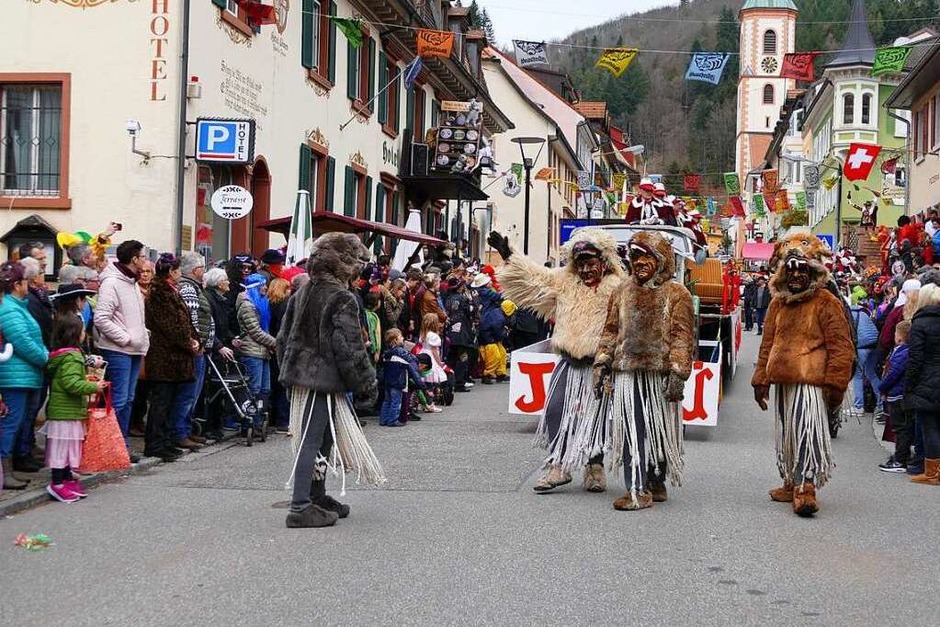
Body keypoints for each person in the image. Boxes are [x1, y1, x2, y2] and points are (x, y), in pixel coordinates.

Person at [489, 228, 624, 493]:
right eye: (581, 264)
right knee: (554, 409)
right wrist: (509, 255)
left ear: (604, 263)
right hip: (567, 361)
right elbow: (534, 278)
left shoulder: (618, 287)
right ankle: (558, 464)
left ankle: (594, 466)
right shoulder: (564, 281)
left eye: (591, 264)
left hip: (600, 364)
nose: (585, 270)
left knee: (596, 417)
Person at [277, 232, 385, 528]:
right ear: (347, 266)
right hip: (320, 380)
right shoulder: (341, 297)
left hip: (302, 377)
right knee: (312, 442)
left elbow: (282, 339)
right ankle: (300, 506)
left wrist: (287, 373)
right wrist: (366, 384)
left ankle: (316, 495)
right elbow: (349, 347)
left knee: (321, 440)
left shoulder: (302, 292)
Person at [752, 233, 855, 517]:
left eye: (802, 270)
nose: (796, 275)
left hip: (810, 385)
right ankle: (791, 481)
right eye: (791, 270)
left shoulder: (825, 302)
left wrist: (835, 386)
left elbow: (841, 348)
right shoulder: (777, 304)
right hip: (784, 383)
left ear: (813, 273)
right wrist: (761, 379)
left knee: (806, 436)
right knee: (787, 434)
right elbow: (767, 344)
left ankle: (806, 487)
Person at [593, 231, 695, 511]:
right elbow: (610, 331)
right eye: (635, 257)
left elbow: (682, 336)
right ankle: (637, 489)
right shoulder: (621, 292)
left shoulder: (677, 293)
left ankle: (656, 480)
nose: (639, 262)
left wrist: (677, 373)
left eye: (646, 256)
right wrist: (602, 362)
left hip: (659, 373)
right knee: (631, 431)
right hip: (627, 372)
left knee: (659, 430)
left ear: (661, 260)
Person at [94, 240, 150, 462]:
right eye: (142, 256)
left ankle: (121, 446)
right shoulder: (112, 283)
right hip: (118, 350)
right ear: (134, 259)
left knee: (128, 399)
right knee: (118, 400)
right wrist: (126, 338)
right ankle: (113, 448)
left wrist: (142, 335)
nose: (145, 261)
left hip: (135, 349)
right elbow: (101, 319)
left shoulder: (132, 282)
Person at [42, 315, 108, 502]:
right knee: (62, 448)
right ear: (75, 334)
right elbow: (71, 383)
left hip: (68, 411)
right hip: (65, 412)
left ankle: (67, 478)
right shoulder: (72, 357)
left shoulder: (67, 355)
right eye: (82, 331)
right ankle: (57, 483)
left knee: (69, 447)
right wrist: (94, 386)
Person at [143, 254, 200, 462]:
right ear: (170, 272)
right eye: (176, 271)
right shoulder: (159, 292)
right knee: (161, 401)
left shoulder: (171, 290)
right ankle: (155, 444)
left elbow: (183, 321)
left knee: (169, 401)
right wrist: (189, 342)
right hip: (164, 355)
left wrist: (194, 339)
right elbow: (170, 325)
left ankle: (166, 441)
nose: (179, 275)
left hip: (176, 356)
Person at [0, 262, 50, 489]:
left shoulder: (18, 306)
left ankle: (14, 463)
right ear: (17, 285)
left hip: (25, 375)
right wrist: (44, 357)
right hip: (15, 376)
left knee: (21, 420)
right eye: (24, 282)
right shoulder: (9, 309)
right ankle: (4, 469)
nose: (28, 286)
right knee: (11, 422)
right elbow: (22, 341)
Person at [172, 252, 212, 450]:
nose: (204, 272)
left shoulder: (193, 286)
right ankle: (180, 431)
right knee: (188, 392)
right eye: (203, 268)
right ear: (196, 270)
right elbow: (191, 318)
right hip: (194, 349)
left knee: (193, 392)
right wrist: (196, 342)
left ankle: (186, 429)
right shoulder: (188, 288)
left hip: (199, 347)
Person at [905, 283, 940, 485]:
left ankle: (933, 472)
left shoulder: (920, 323)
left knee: (930, 427)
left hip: (927, 380)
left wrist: (909, 386)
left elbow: (915, 359)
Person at [236, 273, 277, 423]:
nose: (265, 287)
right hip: (252, 352)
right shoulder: (247, 305)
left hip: (263, 351)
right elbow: (255, 331)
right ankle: (250, 421)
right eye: (262, 285)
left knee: (264, 389)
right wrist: (276, 343)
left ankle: (259, 420)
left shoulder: (259, 303)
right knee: (253, 388)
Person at [878, 321, 912, 473]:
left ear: (899, 337)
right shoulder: (901, 351)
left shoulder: (902, 353)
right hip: (896, 394)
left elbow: (893, 373)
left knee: (900, 428)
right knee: (900, 427)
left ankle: (900, 460)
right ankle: (900, 456)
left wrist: (882, 386)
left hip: (897, 394)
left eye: (895, 334)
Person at [380, 328, 426, 427]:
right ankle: (393, 420)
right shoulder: (401, 352)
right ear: (395, 340)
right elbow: (412, 366)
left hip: (387, 381)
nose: (403, 338)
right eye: (401, 337)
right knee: (396, 402)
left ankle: (384, 419)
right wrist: (421, 384)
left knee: (387, 401)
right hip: (398, 381)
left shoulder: (386, 353)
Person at [474, 273, 509, 384]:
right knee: (493, 352)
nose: (490, 283)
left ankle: (500, 372)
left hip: (489, 322)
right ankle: (488, 374)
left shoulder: (480, 293)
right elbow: (500, 297)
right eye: (488, 281)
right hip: (489, 323)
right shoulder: (486, 292)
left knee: (501, 351)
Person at [850, 297, 883, 415]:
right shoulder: (863, 313)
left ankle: (858, 407)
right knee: (871, 373)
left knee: (857, 375)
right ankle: (881, 405)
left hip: (862, 346)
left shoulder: (849, 314)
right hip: (874, 344)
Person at [267, 277, 292, 433]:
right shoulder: (285, 305)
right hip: (280, 347)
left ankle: (273, 417)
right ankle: (282, 419)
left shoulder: (269, 304)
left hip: (270, 346)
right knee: (283, 385)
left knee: (273, 385)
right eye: (287, 287)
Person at [443, 278, 475, 393]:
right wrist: (472, 301)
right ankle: (459, 383)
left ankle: (448, 381)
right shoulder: (463, 298)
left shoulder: (447, 299)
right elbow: (471, 311)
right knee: (463, 357)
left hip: (450, 331)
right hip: (461, 332)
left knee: (451, 358)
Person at [363, 292, 382, 366]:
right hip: (371, 352)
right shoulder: (372, 317)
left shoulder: (364, 313)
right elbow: (373, 334)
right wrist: (375, 351)